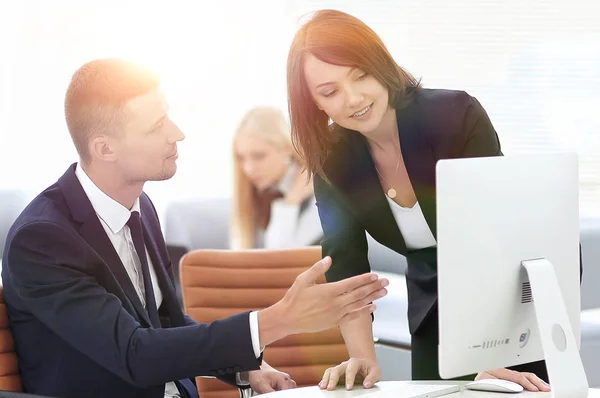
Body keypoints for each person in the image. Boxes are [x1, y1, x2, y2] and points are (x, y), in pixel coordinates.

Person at [0, 58, 389, 398]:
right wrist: (280, 319)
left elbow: (166, 322)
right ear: (105, 149)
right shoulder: (42, 240)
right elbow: (135, 353)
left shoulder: (139, 206)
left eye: (167, 115)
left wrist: (242, 367)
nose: (177, 133)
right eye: (156, 126)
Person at [285, 9, 559, 392]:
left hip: (510, 296)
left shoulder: (455, 116)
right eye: (330, 92)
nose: (354, 98)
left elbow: (495, 235)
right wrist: (363, 357)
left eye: (360, 75)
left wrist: (490, 354)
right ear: (314, 103)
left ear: (380, 64)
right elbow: (345, 266)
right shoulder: (332, 162)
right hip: (434, 305)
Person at [231, 106, 322, 249]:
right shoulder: (256, 192)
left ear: (286, 149)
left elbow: (281, 256)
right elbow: (238, 253)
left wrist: (291, 201)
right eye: (241, 158)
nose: (249, 169)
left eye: (259, 156)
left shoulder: (318, 191)